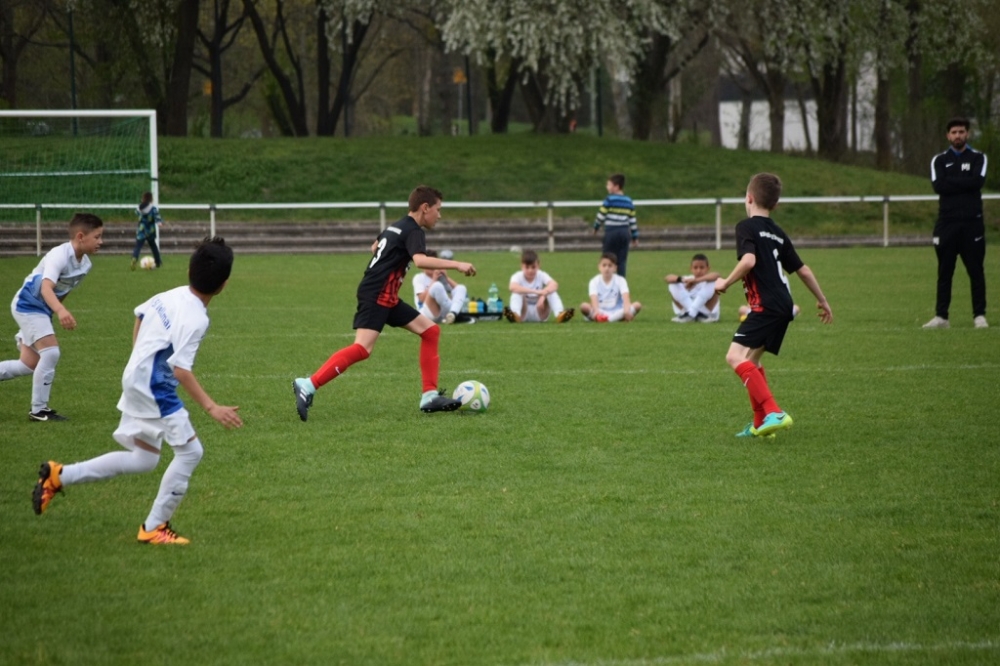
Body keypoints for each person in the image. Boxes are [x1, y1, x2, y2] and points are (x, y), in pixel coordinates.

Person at [31, 237, 242, 546]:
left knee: (144, 459)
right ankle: (155, 527)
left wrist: (137, 359)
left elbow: (140, 316)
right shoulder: (197, 318)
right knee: (191, 452)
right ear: (224, 285)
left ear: (189, 270)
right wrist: (212, 407)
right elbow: (181, 369)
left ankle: (59, 475)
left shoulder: (170, 294)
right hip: (154, 388)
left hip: (136, 378)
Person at [292, 186, 476, 420]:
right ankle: (308, 384)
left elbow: (375, 246)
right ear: (425, 208)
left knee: (431, 331)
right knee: (362, 349)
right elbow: (420, 261)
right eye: (438, 209)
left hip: (386, 295)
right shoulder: (414, 231)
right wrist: (458, 265)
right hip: (377, 294)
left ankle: (429, 395)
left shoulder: (396, 226)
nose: (439, 215)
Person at [713, 173, 832, 439]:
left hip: (765, 305)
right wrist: (822, 300)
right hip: (784, 306)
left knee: (734, 357)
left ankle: (774, 412)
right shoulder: (778, 233)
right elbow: (803, 270)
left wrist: (725, 283)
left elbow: (748, 261)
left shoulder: (746, 226)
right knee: (752, 360)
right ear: (775, 205)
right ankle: (759, 423)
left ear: (749, 198)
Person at [0, 213, 104, 421]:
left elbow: (63, 290)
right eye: (97, 237)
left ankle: (39, 409)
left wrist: (52, 312)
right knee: (51, 353)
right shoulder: (59, 255)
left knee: (28, 364)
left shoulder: (85, 264)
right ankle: (39, 410)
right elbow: (46, 288)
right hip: (27, 304)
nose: (101, 241)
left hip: (41, 310)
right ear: (81, 236)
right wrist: (60, 311)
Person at [923, 117, 988, 329]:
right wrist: (964, 183)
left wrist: (952, 181)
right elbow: (938, 186)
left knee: (976, 271)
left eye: (961, 132)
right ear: (948, 136)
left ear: (967, 134)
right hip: (947, 224)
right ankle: (941, 316)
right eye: (954, 132)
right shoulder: (939, 160)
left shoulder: (979, 157)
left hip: (972, 224)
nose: (957, 135)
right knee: (945, 271)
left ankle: (979, 315)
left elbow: (977, 182)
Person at [502, 249, 574, 323]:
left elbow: (554, 284)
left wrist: (543, 295)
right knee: (516, 293)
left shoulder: (541, 274)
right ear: (522, 266)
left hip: (540, 312)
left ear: (538, 266)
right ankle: (515, 315)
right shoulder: (517, 276)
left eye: (533, 267)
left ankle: (559, 314)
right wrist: (537, 292)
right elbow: (512, 287)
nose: (530, 270)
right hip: (523, 312)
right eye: (527, 267)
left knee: (551, 292)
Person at [592, 173, 638, 277]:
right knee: (622, 261)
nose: (607, 187)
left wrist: (596, 227)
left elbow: (601, 214)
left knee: (607, 259)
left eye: (609, 185)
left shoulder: (609, 199)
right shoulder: (629, 201)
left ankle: (606, 281)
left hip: (611, 232)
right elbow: (632, 220)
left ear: (616, 187)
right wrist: (635, 237)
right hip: (624, 232)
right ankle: (622, 284)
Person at [580, 253, 641, 322]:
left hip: (618, 310)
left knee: (637, 305)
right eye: (604, 265)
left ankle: (605, 319)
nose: (607, 268)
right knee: (584, 306)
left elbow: (626, 297)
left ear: (615, 268)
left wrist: (626, 311)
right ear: (599, 267)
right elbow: (594, 299)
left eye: (610, 266)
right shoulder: (594, 281)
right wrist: (597, 312)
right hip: (601, 311)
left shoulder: (621, 280)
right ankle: (614, 319)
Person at [412, 249, 468, 324]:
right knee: (437, 286)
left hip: (442, 311)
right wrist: (434, 280)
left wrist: (446, 277)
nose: (431, 267)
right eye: (428, 264)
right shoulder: (419, 277)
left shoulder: (440, 276)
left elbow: (458, 293)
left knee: (461, 287)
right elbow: (421, 299)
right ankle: (457, 315)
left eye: (433, 264)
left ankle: (453, 313)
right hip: (426, 312)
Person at [665, 253, 721, 323]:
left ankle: (692, 313)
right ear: (691, 268)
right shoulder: (687, 279)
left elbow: (716, 275)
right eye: (695, 268)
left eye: (702, 267)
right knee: (673, 284)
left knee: (714, 282)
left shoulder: (709, 279)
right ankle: (693, 313)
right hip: (686, 311)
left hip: (707, 313)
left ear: (708, 268)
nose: (698, 271)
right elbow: (668, 278)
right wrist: (682, 280)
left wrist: (695, 281)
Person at [131, 191, 163, 270]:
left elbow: (136, 213)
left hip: (141, 230)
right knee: (153, 246)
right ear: (151, 199)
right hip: (150, 230)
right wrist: (159, 222)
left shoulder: (139, 208)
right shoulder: (153, 208)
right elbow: (157, 217)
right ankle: (158, 262)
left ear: (143, 199)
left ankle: (134, 257)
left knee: (138, 246)